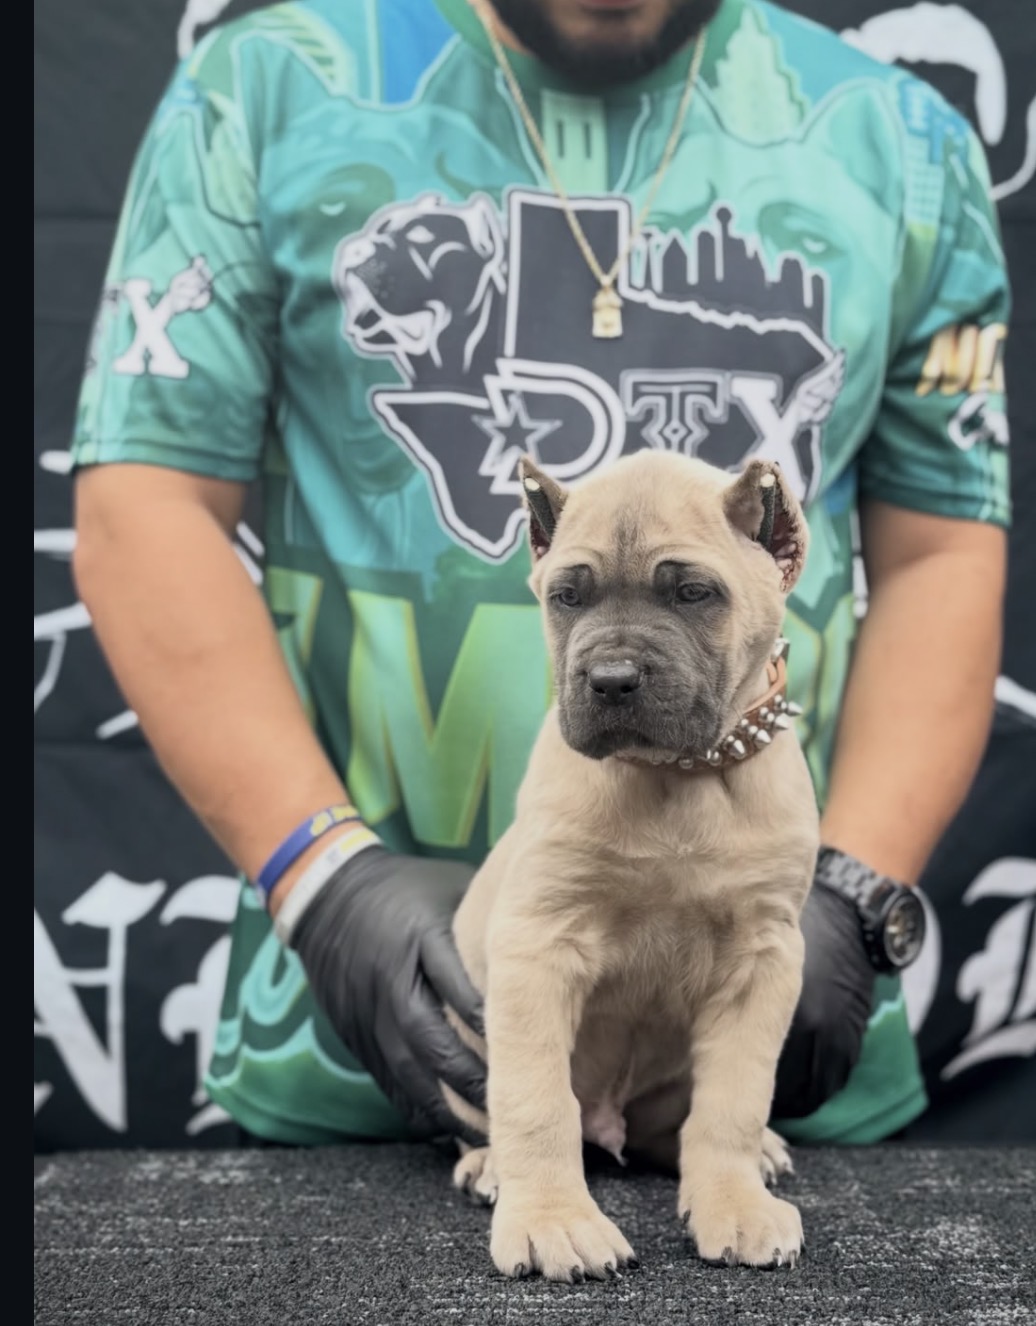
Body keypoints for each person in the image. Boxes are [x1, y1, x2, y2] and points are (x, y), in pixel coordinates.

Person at [69, 0, 1010, 1149]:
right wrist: (322, 880)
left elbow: (939, 551)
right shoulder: (264, 93)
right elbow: (144, 508)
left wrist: (847, 900)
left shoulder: (894, 137)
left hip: (763, 1078)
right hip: (365, 1059)